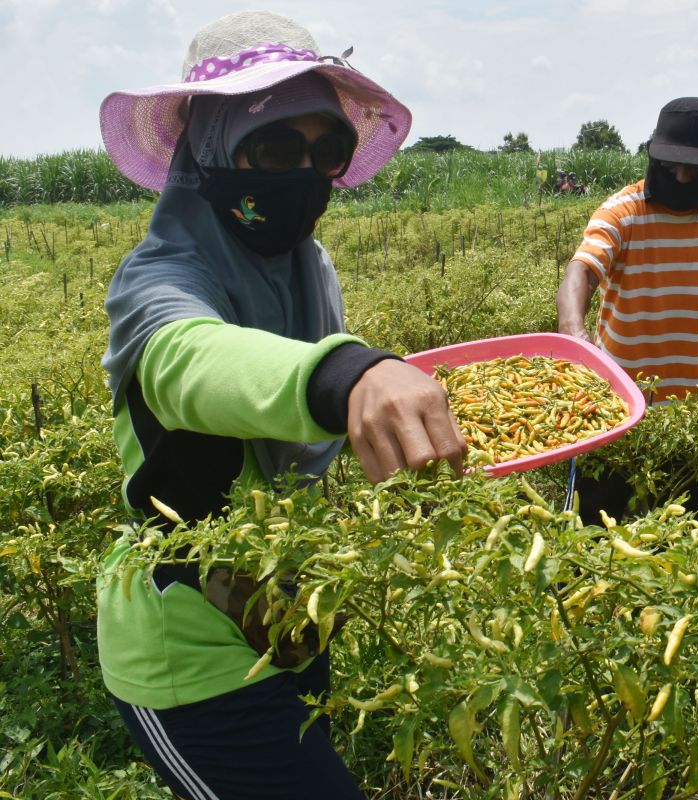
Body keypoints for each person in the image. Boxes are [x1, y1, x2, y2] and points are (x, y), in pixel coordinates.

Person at [95, 11, 467, 799]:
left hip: (290, 619)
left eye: (324, 151)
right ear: (210, 148)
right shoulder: (156, 281)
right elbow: (192, 361)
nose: (302, 172)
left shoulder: (305, 263)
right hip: (195, 662)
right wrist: (348, 378)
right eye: (272, 149)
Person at [556, 97, 698, 525]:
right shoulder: (623, 212)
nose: (681, 176)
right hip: (617, 404)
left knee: (680, 530)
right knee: (598, 526)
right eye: (670, 166)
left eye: (694, 169)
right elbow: (582, 272)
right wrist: (573, 332)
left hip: (692, 406)